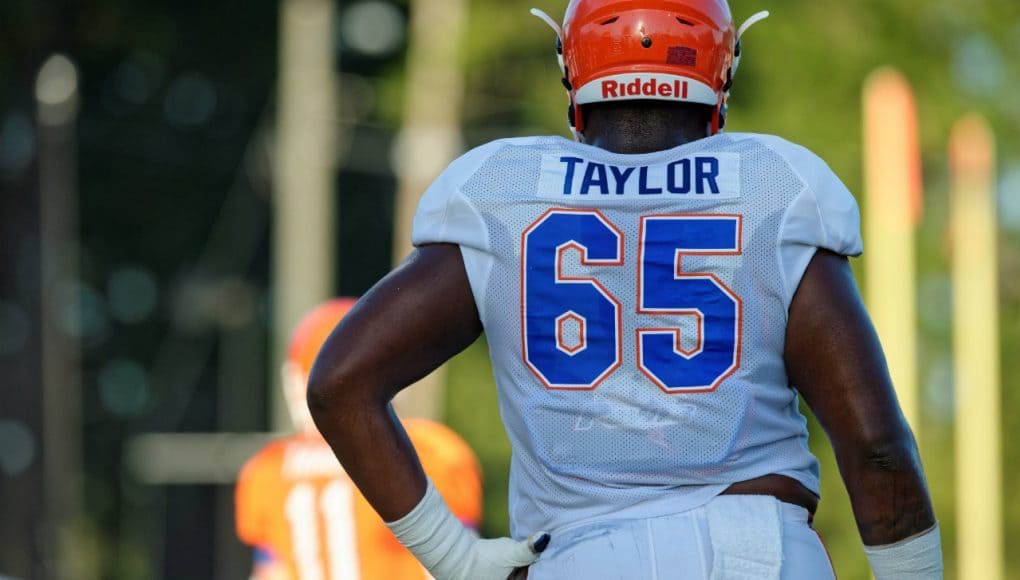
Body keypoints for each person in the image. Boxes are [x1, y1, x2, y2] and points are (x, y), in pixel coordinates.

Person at [306, 1, 942, 578]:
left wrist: (456, 558)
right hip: (755, 550)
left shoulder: (503, 193)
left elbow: (341, 385)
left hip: (583, 557)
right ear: (721, 73)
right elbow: (876, 447)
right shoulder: (775, 188)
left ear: (572, 72)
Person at [235, 298, 483, 580]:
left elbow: (271, 573)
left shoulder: (267, 469)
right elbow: (460, 569)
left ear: (296, 383)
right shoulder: (430, 451)